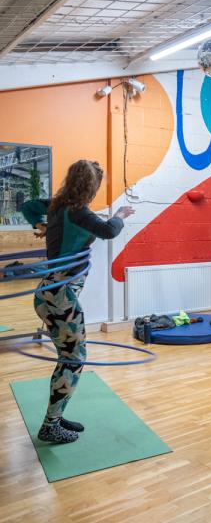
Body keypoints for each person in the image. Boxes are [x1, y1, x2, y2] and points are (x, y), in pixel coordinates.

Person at [21, 160, 134, 443]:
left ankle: (56, 416)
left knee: (68, 358)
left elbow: (28, 206)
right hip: (59, 296)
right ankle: (50, 425)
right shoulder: (78, 211)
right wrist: (120, 214)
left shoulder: (57, 206)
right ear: (91, 186)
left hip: (51, 293)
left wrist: (42, 224)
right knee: (73, 359)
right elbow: (109, 230)